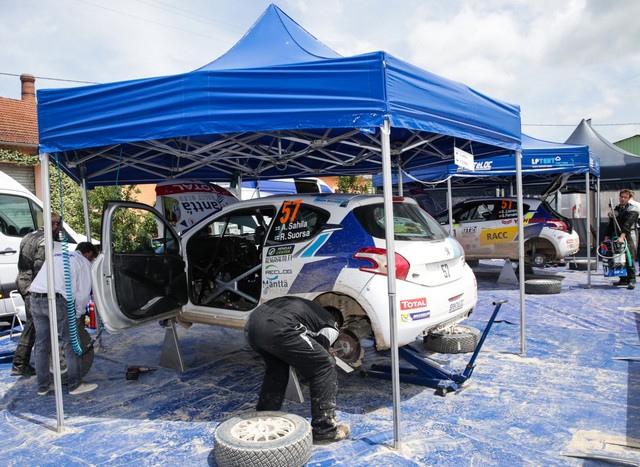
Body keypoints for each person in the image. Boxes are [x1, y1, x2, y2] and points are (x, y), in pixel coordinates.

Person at [244, 296, 350, 444]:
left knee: (277, 369)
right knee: (325, 365)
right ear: (338, 322)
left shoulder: (309, 310)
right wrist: (327, 350)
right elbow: (319, 357)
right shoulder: (332, 325)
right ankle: (324, 430)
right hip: (280, 327)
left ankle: (264, 414)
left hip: (252, 324)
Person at [29, 242, 99, 396]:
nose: (91, 261)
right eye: (92, 258)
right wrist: (79, 314)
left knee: (42, 344)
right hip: (56, 300)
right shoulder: (82, 262)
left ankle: (43, 386)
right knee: (70, 342)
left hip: (35, 297)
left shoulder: (56, 255)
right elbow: (82, 294)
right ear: (88, 254)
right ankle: (75, 385)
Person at [11, 213, 63, 376]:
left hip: (21, 278)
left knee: (34, 323)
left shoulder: (29, 235)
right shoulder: (44, 241)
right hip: (31, 283)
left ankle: (26, 362)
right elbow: (40, 268)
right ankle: (20, 364)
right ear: (55, 225)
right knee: (33, 324)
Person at [604, 189, 639, 290]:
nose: (622, 199)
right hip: (618, 235)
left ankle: (631, 279)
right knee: (619, 257)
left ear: (629, 198)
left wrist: (622, 237)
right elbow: (611, 224)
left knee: (629, 257)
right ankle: (623, 278)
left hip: (629, 235)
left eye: (625, 197)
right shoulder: (617, 209)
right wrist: (607, 236)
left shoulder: (633, 209)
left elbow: (628, 223)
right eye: (621, 197)